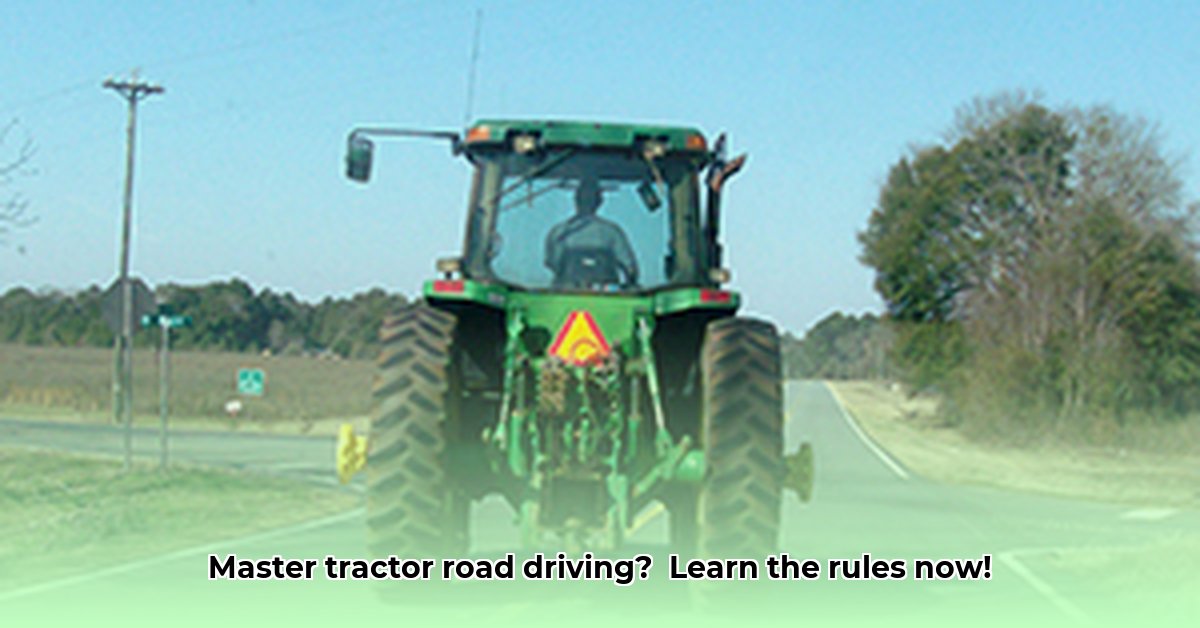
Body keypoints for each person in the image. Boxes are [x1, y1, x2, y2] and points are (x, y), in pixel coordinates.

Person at [543, 178, 639, 288]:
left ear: (576, 200)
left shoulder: (559, 232)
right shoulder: (612, 232)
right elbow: (630, 269)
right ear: (599, 202)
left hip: (565, 293)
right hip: (607, 295)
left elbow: (552, 263)